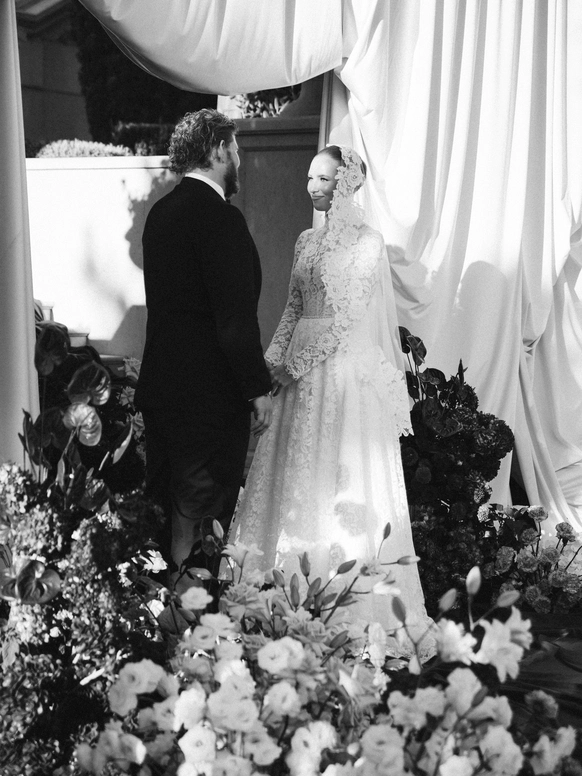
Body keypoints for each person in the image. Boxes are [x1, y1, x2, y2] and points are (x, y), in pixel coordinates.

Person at [233, 145, 432, 652]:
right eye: (309, 178)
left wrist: (294, 366)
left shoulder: (368, 243)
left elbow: (344, 321)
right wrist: (270, 364)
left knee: (335, 479)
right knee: (292, 476)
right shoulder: (305, 240)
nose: (312, 187)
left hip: (339, 376)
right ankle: (276, 602)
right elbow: (292, 309)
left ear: (345, 183)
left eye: (323, 179)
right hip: (298, 377)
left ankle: (344, 608)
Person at [135, 109, 273, 590]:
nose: (239, 160)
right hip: (208, 402)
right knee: (201, 523)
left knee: (164, 514)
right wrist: (256, 388)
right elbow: (234, 318)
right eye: (235, 150)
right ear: (217, 150)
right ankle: (192, 624)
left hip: (162, 392)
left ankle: (158, 617)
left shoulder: (161, 213)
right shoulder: (221, 219)